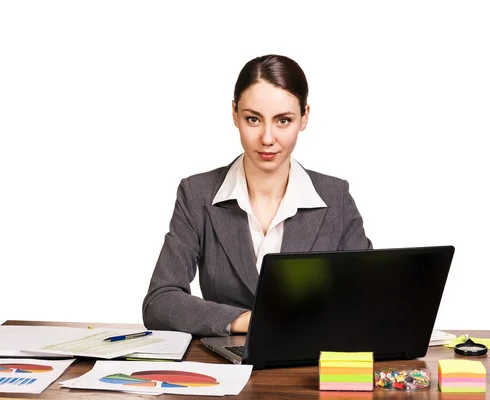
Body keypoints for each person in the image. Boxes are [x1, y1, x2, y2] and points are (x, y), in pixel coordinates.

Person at [142, 54, 372, 337]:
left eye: (283, 121)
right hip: (223, 366)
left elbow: (366, 297)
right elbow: (160, 301)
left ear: (305, 117)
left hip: (308, 365)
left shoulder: (335, 197)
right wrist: (244, 320)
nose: (267, 138)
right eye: (253, 119)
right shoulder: (197, 194)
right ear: (234, 114)